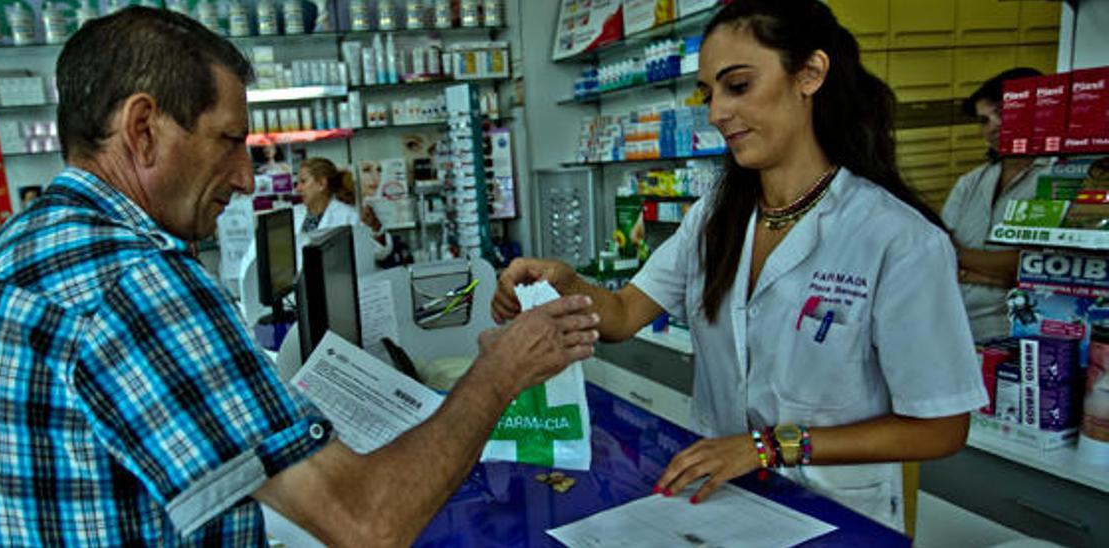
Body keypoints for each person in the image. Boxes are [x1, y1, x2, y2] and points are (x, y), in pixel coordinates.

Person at [0, 7, 600, 545]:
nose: (245, 179)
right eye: (228, 140)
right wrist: (502, 372)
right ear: (143, 127)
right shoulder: (142, 282)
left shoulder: (4, 258)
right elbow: (368, 524)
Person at [491, 0, 985, 532]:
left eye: (739, 86)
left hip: (837, 516)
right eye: (709, 93)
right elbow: (624, 314)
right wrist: (567, 285)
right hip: (724, 499)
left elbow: (940, 427)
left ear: (810, 74)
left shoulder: (899, 238)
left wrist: (768, 448)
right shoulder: (716, 215)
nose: (716, 112)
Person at [942, 67, 1047, 341]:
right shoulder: (970, 183)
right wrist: (997, 276)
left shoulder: (1057, 177)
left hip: (1018, 334)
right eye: (984, 121)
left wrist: (963, 260)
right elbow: (939, 253)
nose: (993, 127)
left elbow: (1043, 268)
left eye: (1001, 113)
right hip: (958, 328)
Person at [293, 156, 395, 263]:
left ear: (321, 184)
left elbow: (378, 253)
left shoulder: (348, 216)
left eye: (303, 182)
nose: (298, 189)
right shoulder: (292, 215)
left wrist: (376, 227)